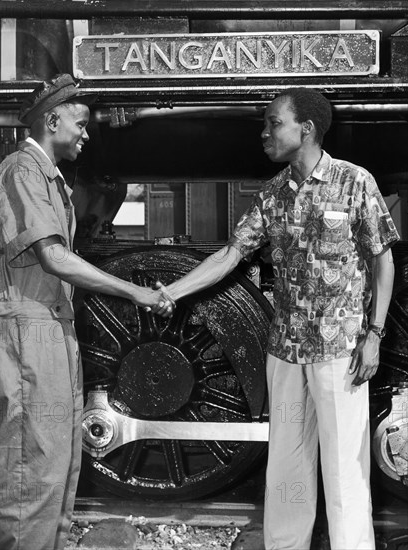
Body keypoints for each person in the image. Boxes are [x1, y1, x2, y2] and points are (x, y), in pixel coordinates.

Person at [154, 88, 400, 549]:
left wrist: (374, 335)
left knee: (344, 469)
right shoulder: (272, 194)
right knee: (287, 465)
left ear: (305, 128)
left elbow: (383, 261)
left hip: (340, 352)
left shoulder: (354, 182)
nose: (264, 133)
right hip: (285, 351)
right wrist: (171, 291)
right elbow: (232, 254)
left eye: (273, 123)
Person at [0, 74, 172, 550]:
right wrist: (137, 292)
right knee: (30, 466)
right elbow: (54, 258)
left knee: (56, 461)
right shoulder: (22, 172)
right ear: (52, 119)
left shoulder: (45, 178)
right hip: (25, 334)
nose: (86, 133)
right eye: (80, 123)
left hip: (46, 331)